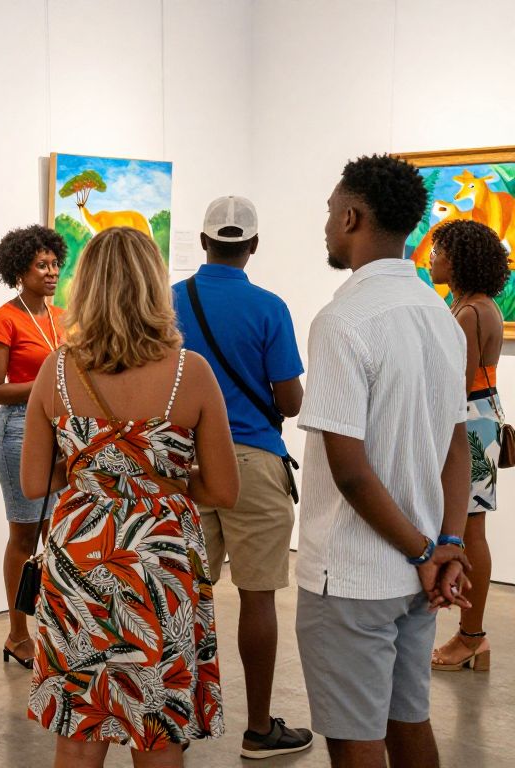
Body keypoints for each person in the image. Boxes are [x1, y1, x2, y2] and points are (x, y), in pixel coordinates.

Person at [22, 226, 238, 768]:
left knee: (79, 724)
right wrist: (154, 482)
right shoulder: (191, 373)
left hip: (80, 555)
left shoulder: (57, 371)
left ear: (85, 288)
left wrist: (95, 471)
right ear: (155, 287)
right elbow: (224, 489)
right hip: (160, 555)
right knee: (159, 727)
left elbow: (32, 484)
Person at [296, 154, 474, 768]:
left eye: (328, 213)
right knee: (408, 721)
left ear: (351, 216)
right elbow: (458, 443)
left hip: (350, 572)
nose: (324, 226)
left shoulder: (343, 321)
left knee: (355, 740)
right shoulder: (441, 318)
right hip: (417, 571)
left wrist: (429, 551)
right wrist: (445, 542)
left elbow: (349, 470)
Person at [172, 196, 312, 759]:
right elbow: (291, 399)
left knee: (180, 595)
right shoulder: (269, 306)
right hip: (254, 460)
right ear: (252, 246)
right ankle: (258, 729)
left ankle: (170, 717)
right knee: (257, 597)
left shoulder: (169, 300)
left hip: (183, 463)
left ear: (203, 243)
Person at [0, 224, 67, 669]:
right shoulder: (4, 319)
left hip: (63, 431)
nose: (51, 272)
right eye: (41, 265)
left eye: (54, 264)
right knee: (23, 534)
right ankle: (17, 634)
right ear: (20, 270)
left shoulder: (63, 316)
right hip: (17, 430)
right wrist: (49, 384)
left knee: (56, 533)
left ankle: (53, 625)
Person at [428, 219, 509, 673]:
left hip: (469, 427)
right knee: (470, 527)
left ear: (457, 260)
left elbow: (454, 387)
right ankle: (469, 635)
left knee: (469, 530)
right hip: (482, 420)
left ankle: (471, 637)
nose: (432, 258)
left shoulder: (469, 313)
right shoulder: (480, 306)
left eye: (439, 251)